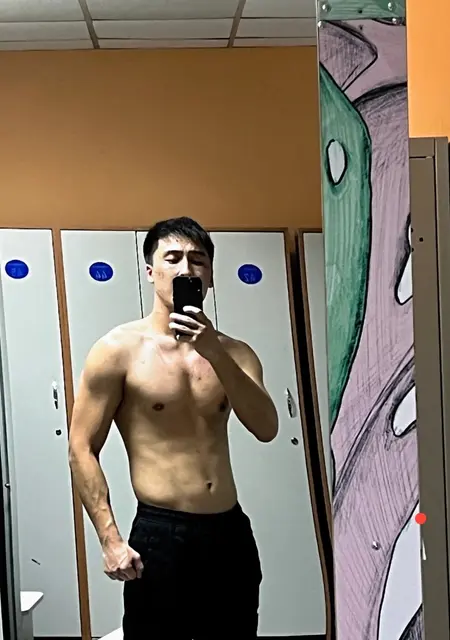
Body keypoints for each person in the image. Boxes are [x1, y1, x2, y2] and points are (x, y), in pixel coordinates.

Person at [68, 216, 279, 638]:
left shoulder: (236, 353)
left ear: (211, 275)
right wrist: (110, 539)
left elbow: (266, 427)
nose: (186, 269)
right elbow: (81, 447)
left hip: (229, 532)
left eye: (198, 260)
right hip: (161, 535)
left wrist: (214, 352)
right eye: (173, 258)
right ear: (151, 271)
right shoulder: (118, 351)